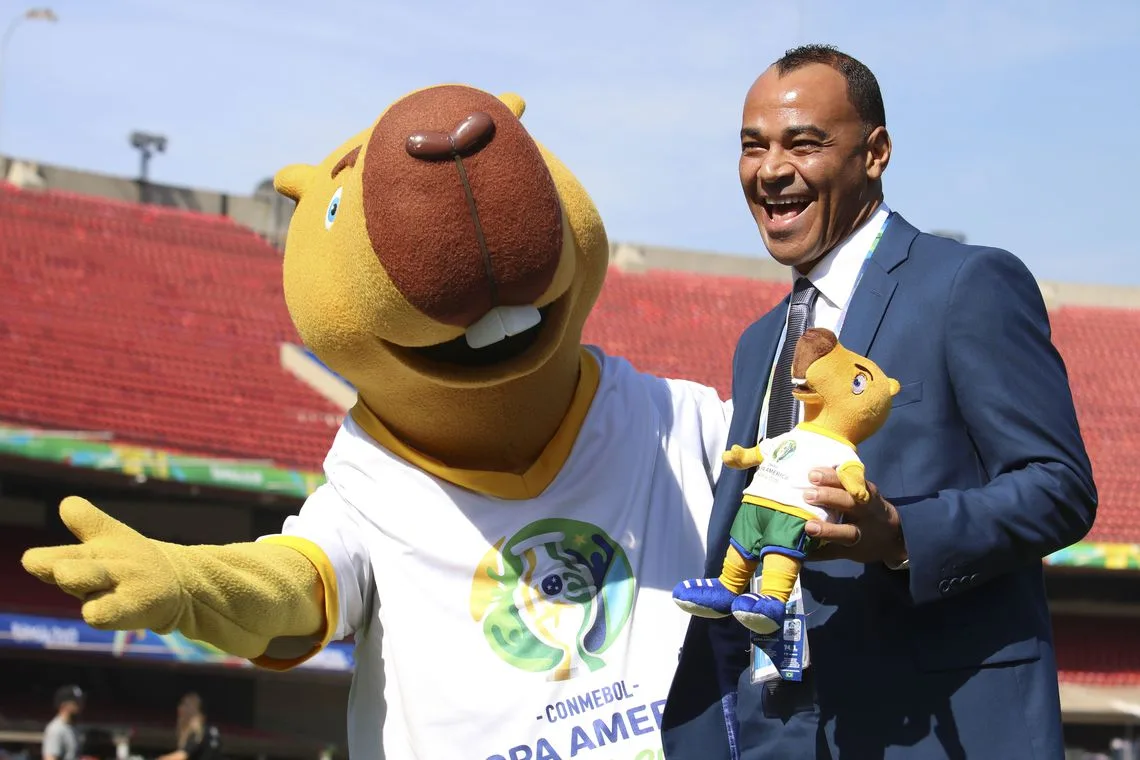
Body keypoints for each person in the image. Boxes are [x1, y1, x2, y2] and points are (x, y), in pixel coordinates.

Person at [662, 44, 1097, 759]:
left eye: (804, 143)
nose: (771, 169)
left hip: (924, 729)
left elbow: (1059, 487)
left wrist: (901, 535)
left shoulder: (967, 285)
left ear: (876, 153)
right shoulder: (759, 342)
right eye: (753, 147)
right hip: (777, 729)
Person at [156, 694, 222, 760]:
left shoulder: (199, 732)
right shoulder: (211, 730)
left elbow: (182, 755)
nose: (180, 708)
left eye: (186, 705)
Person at [42, 685, 83, 760]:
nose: (80, 705)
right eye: (75, 703)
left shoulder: (73, 728)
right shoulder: (56, 729)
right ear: (63, 705)